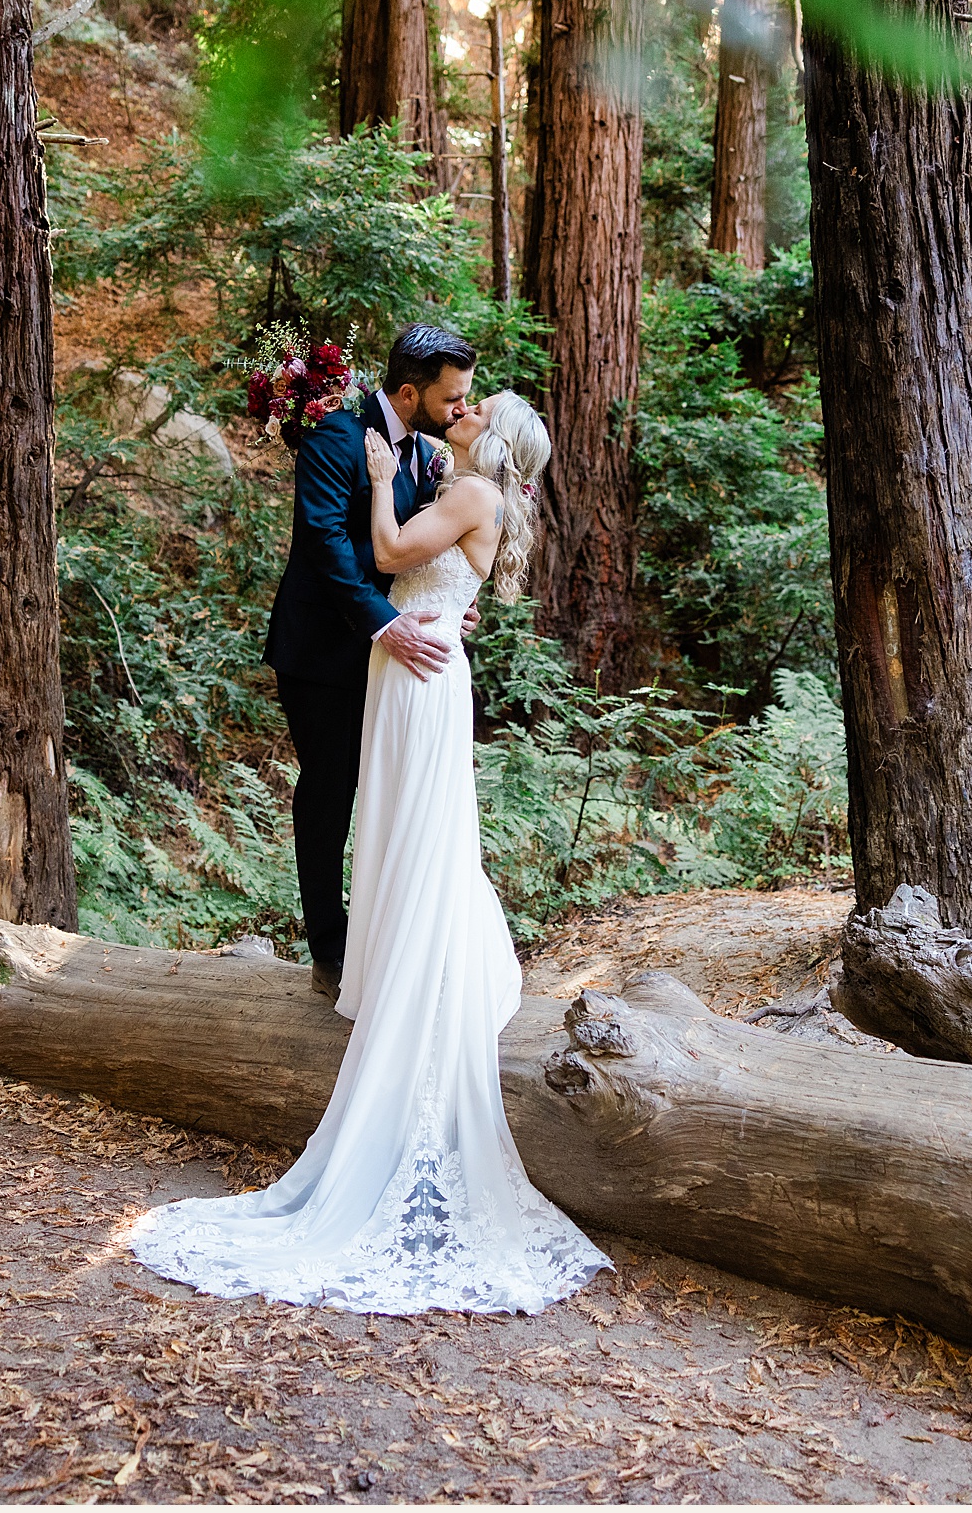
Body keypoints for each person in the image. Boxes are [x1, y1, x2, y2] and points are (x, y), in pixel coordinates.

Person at [129, 388, 610, 1315]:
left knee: (421, 832)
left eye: (481, 407)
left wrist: (385, 479)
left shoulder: (466, 491)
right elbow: (423, 575)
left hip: (419, 673)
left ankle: (421, 973)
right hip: (413, 664)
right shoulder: (466, 485)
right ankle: (396, 959)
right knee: (400, 828)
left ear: (496, 437)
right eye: (465, 397)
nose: (465, 410)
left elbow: (389, 554)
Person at [262, 324, 476, 999]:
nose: (461, 411)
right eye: (451, 399)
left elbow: (411, 549)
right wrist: (386, 622)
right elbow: (325, 545)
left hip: (391, 658)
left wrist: (441, 604)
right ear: (408, 392)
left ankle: (384, 945)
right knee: (330, 792)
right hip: (324, 653)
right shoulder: (336, 437)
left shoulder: (426, 454)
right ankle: (330, 948)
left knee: (390, 792)